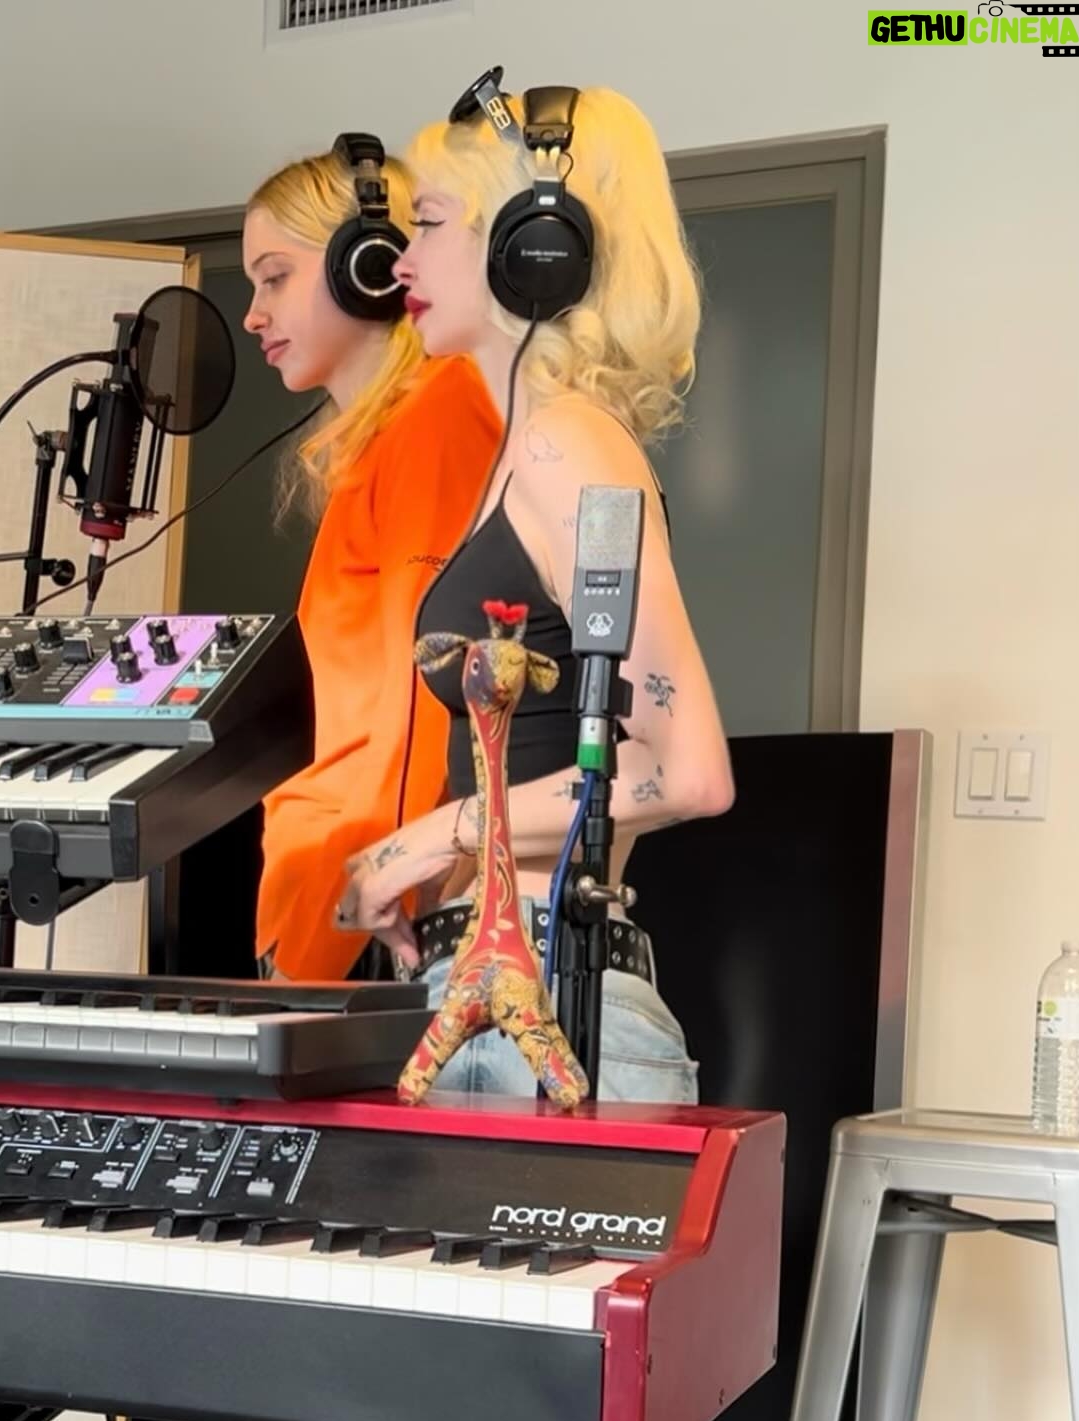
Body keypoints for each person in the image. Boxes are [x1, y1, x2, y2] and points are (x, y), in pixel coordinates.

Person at [334, 75, 735, 1102]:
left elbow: (687, 771)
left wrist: (424, 840)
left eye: (431, 223)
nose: (402, 261)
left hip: (548, 1005)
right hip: (486, 998)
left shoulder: (567, 449)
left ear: (533, 248)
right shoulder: (537, 448)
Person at [243, 133, 502, 984]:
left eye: (274, 277)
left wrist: (338, 939)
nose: (253, 315)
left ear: (369, 266)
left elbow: (424, 701)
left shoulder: (440, 417)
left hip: (368, 917)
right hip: (337, 895)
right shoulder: (391, 443)